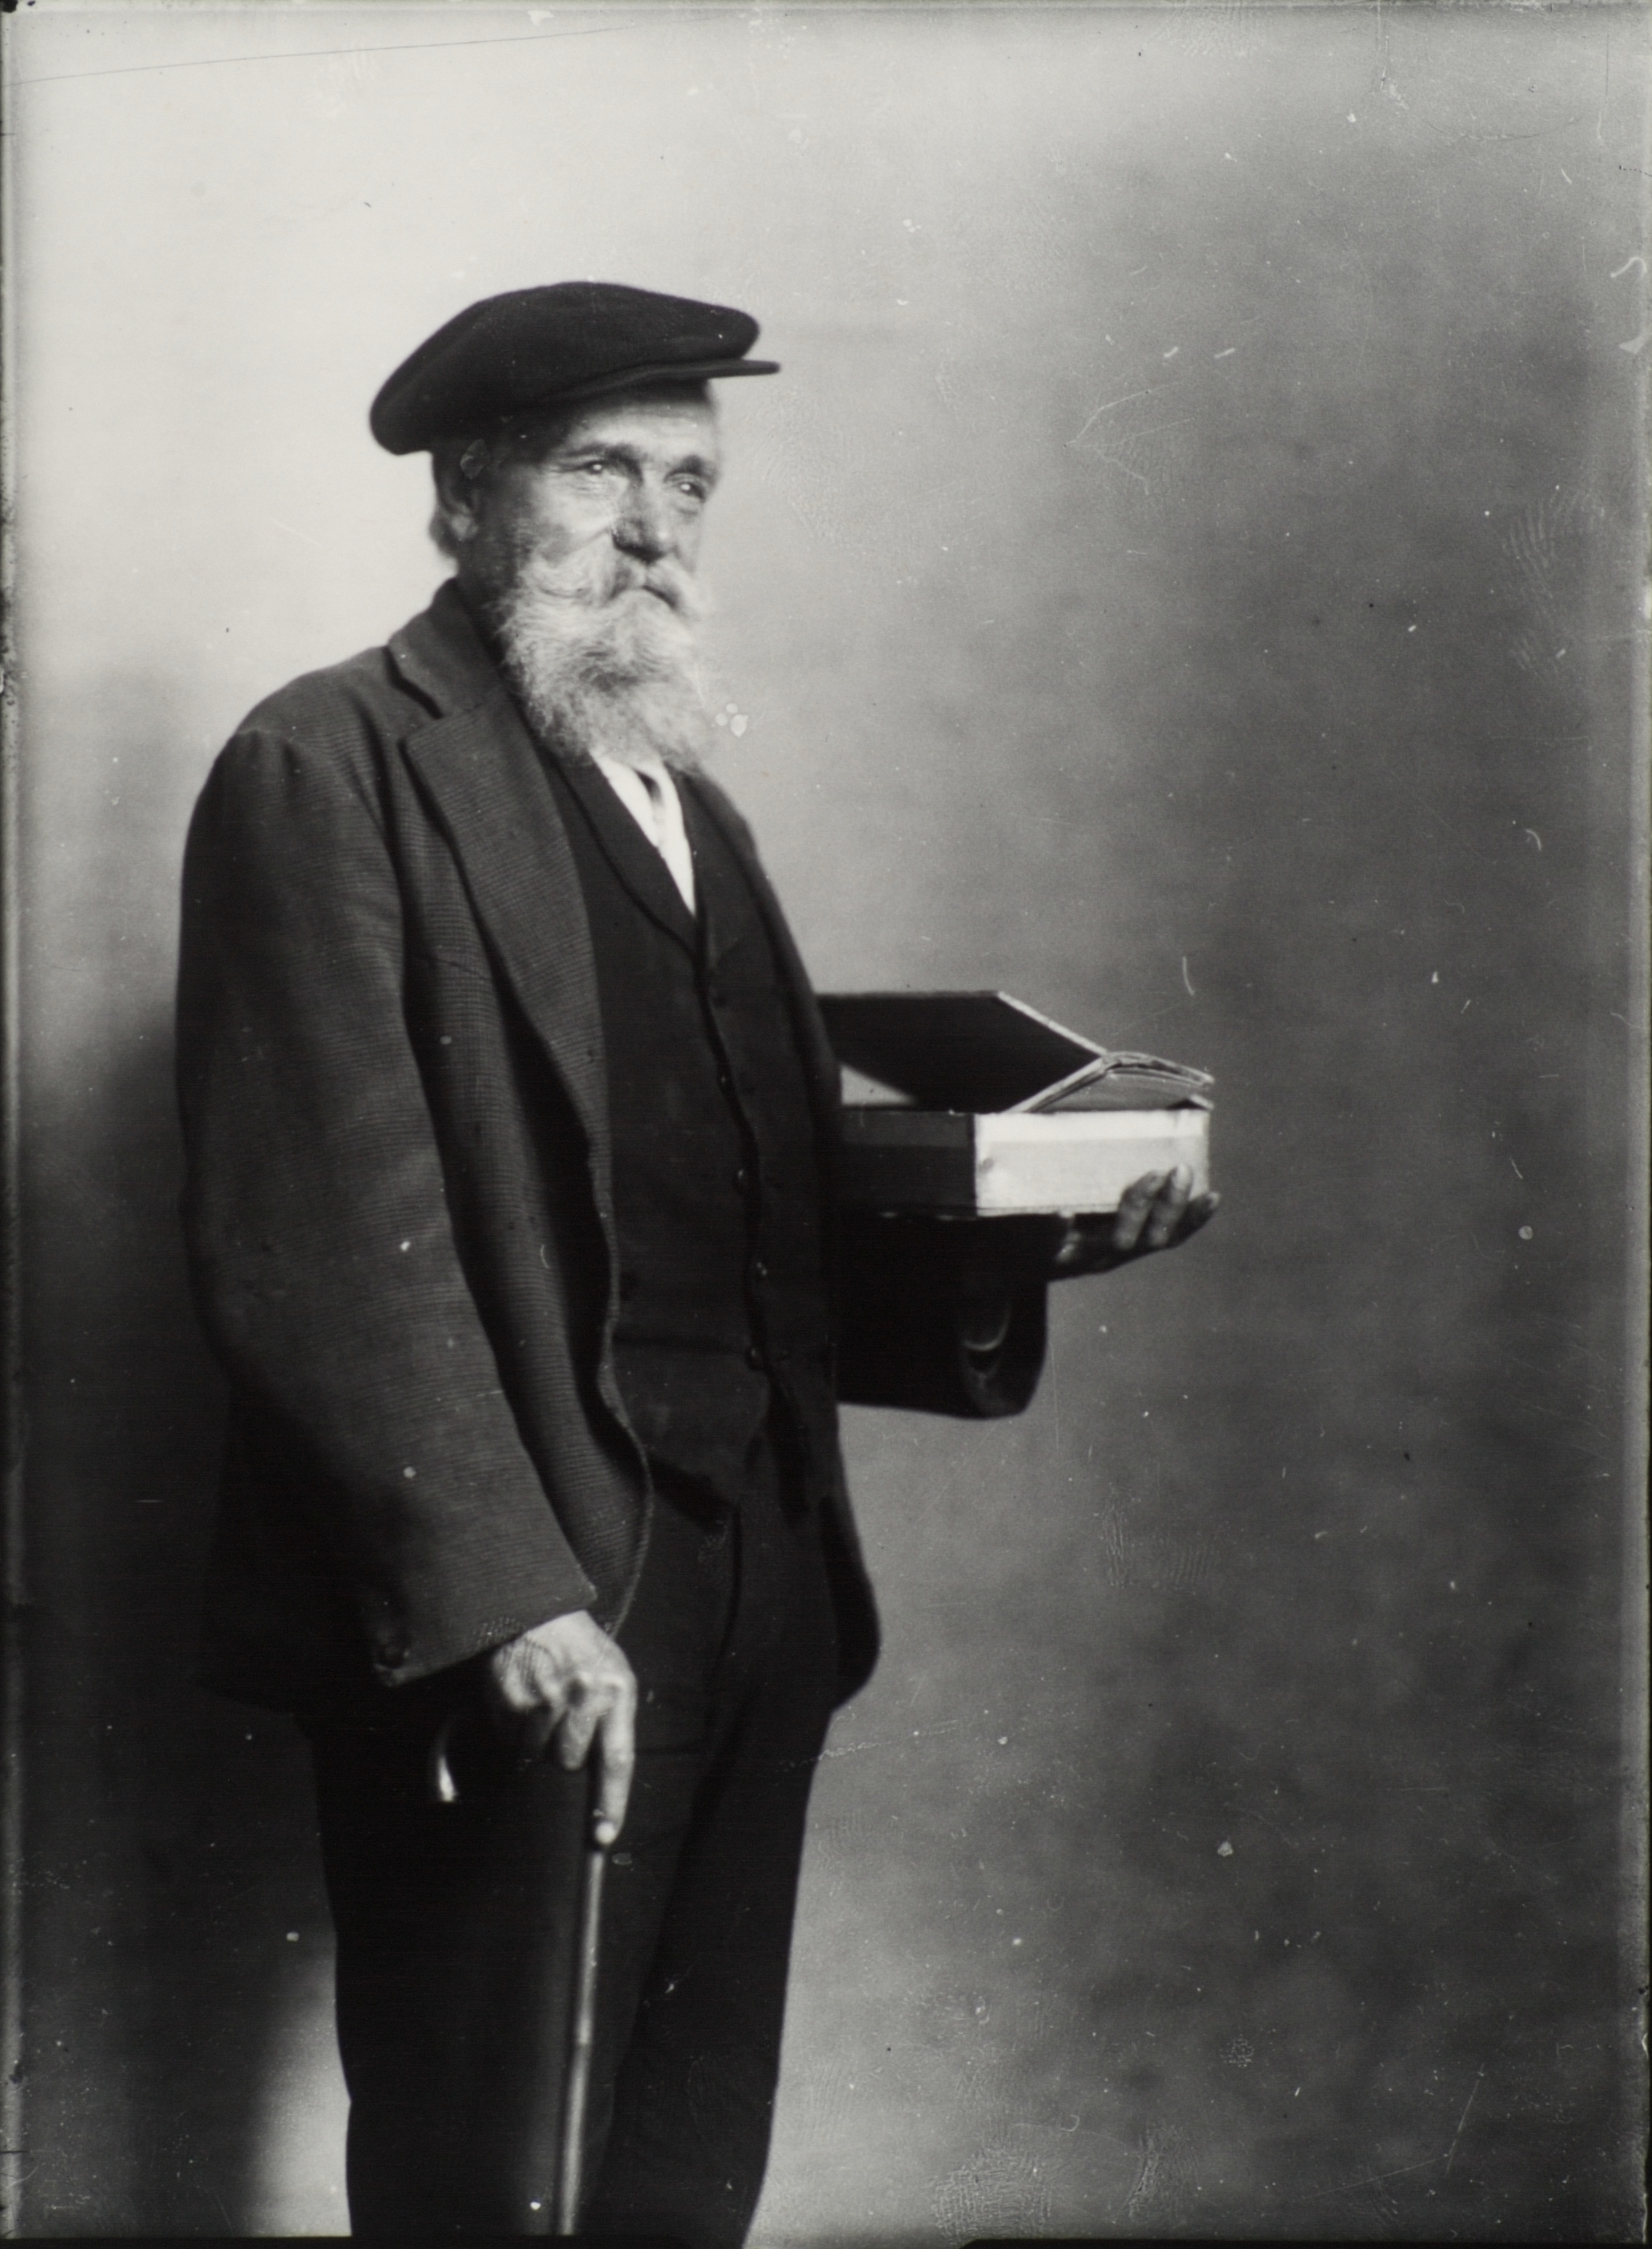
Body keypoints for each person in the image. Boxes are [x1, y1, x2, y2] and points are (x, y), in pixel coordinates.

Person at [175, 282, 1217, 2244]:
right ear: (466, 499)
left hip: (762, 1583)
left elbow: (753, 1227)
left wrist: (1043, 1238)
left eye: (690, 484)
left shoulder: (688, 808)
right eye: (600, 474)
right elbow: (314, 1247)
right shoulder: (329, 762)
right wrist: (505, 1600)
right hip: (533, 1599)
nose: (655, 532)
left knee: (683, 2166)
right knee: (496, 2176)